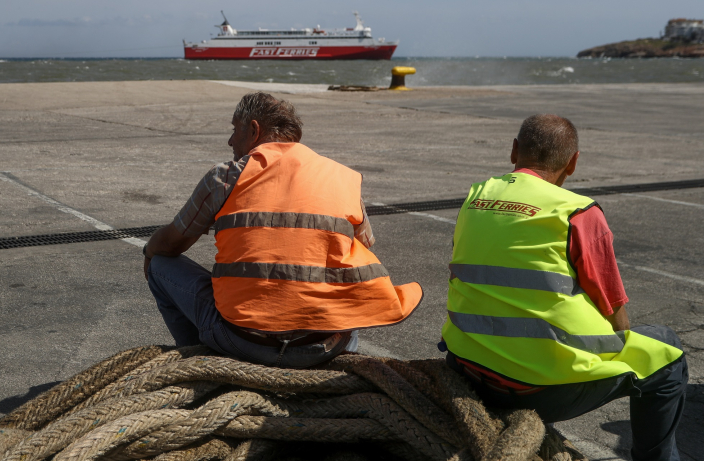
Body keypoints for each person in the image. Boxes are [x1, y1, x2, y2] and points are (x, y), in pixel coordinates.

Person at [441, 114, 687, 461]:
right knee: (668, 352)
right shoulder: (577, 211)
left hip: (466, 365)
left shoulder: (476, 196)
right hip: (538, 389)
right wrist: (619, 344)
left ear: (514, 151)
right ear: (573, 163)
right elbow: (614, 310)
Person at [144, 92, 423, 368]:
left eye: (234, 129)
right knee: (345, 278)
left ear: (254, 130)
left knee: (159, 264)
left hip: (241, 340)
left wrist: (149, 252)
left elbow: (170, 243)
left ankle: (200, 362)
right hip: (323, 346)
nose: (230, 140)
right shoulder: (341, 177)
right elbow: (366, 243)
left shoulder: (225, 177)